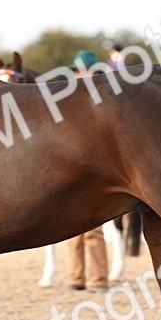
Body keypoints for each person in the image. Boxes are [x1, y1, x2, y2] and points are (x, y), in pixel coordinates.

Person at [66, 51, 109, 291]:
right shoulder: (70, 98)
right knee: (71, 228)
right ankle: (76, 277)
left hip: (95, 168)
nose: (76, 73)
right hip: (72, 166)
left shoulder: (100, 97)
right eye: (75, 70)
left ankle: (99, 279)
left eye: (80, 69)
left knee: (93, 229)